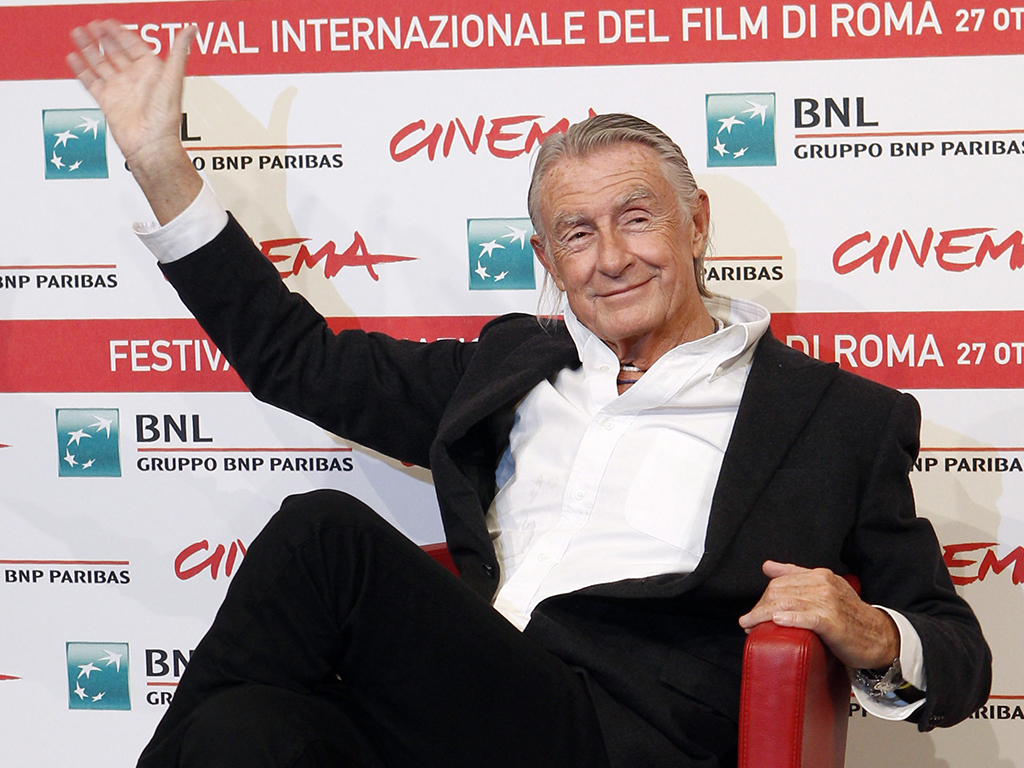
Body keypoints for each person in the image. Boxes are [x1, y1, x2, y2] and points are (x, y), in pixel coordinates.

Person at [67, 20, 990, 768]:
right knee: (245, 734)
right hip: (454, 716)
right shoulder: (510, 366)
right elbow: (299, 364)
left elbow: (960, 658)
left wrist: (870, 630)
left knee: (323, 533)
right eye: (578, 235)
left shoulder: (839, 420)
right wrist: (159, 164)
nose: (613, 257)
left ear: (696, 222)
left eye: (638, 218)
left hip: (620, 735)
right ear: (548, 261)